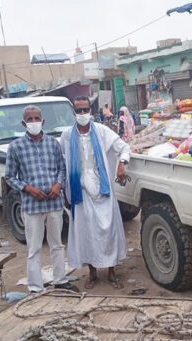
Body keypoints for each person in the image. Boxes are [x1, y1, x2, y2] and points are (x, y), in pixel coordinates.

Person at [60, 96, 131, 289]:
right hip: (80, 191)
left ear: (90, 111)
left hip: (102, 189)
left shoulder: (101, 131)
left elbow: (124, 147)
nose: (82, 113)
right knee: (86, 233)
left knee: (108, 230)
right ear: (74, 112)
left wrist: (122, 164)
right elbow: (62, 162)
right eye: (79, 110)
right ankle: (92, 273)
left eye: (85, 109)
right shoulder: (66, 136)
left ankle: (111, 271)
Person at [5, 105, 76, 293]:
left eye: (37, 118)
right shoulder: (16, 147)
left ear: (43, 121)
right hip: (31, 205)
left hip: (54, 202)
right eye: (30, 119)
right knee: (34, 248)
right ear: (24, 123)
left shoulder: (53, 143)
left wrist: (58, 185)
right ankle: (36, 287)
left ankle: (60, 280)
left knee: (57, 244)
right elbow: (9, 177)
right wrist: (28, 188)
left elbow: (62, 168)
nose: (34, 122)